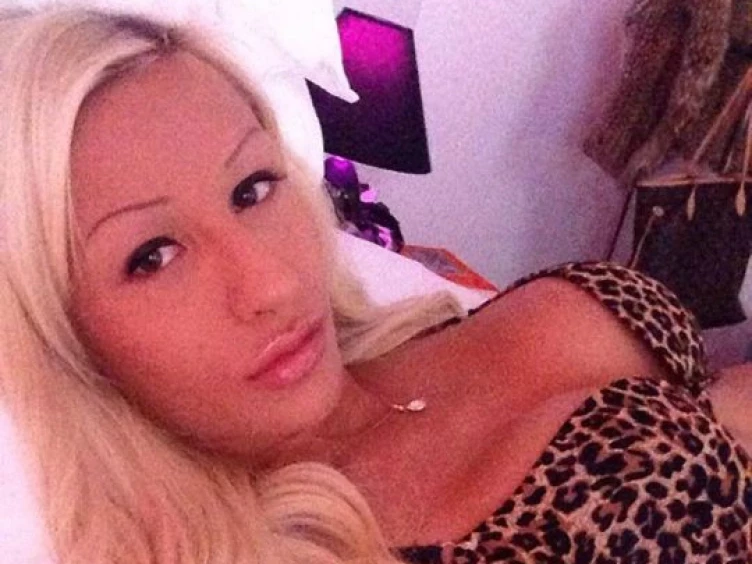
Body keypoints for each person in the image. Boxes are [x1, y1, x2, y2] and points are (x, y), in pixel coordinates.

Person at [0, 7, 750, 564]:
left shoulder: (419, 321)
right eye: (153, 256)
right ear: (66, 338)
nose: (272, 284)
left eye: (252, 188)